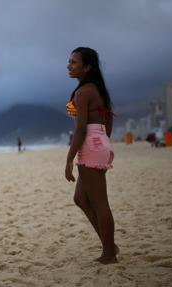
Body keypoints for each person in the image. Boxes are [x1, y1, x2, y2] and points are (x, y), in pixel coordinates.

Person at [64, 47, 118, 264]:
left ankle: (109, 254)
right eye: (69, 61)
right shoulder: (96, 89)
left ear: (87, 67)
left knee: (100, 203)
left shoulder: (83, 92)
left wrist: (69, 159)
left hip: (91, 144)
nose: (69, 65)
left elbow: (81, 130)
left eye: (74, 62)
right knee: (80, 198)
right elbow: (109, 119)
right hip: (100, 142)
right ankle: (110, 245)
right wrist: (104, 142)